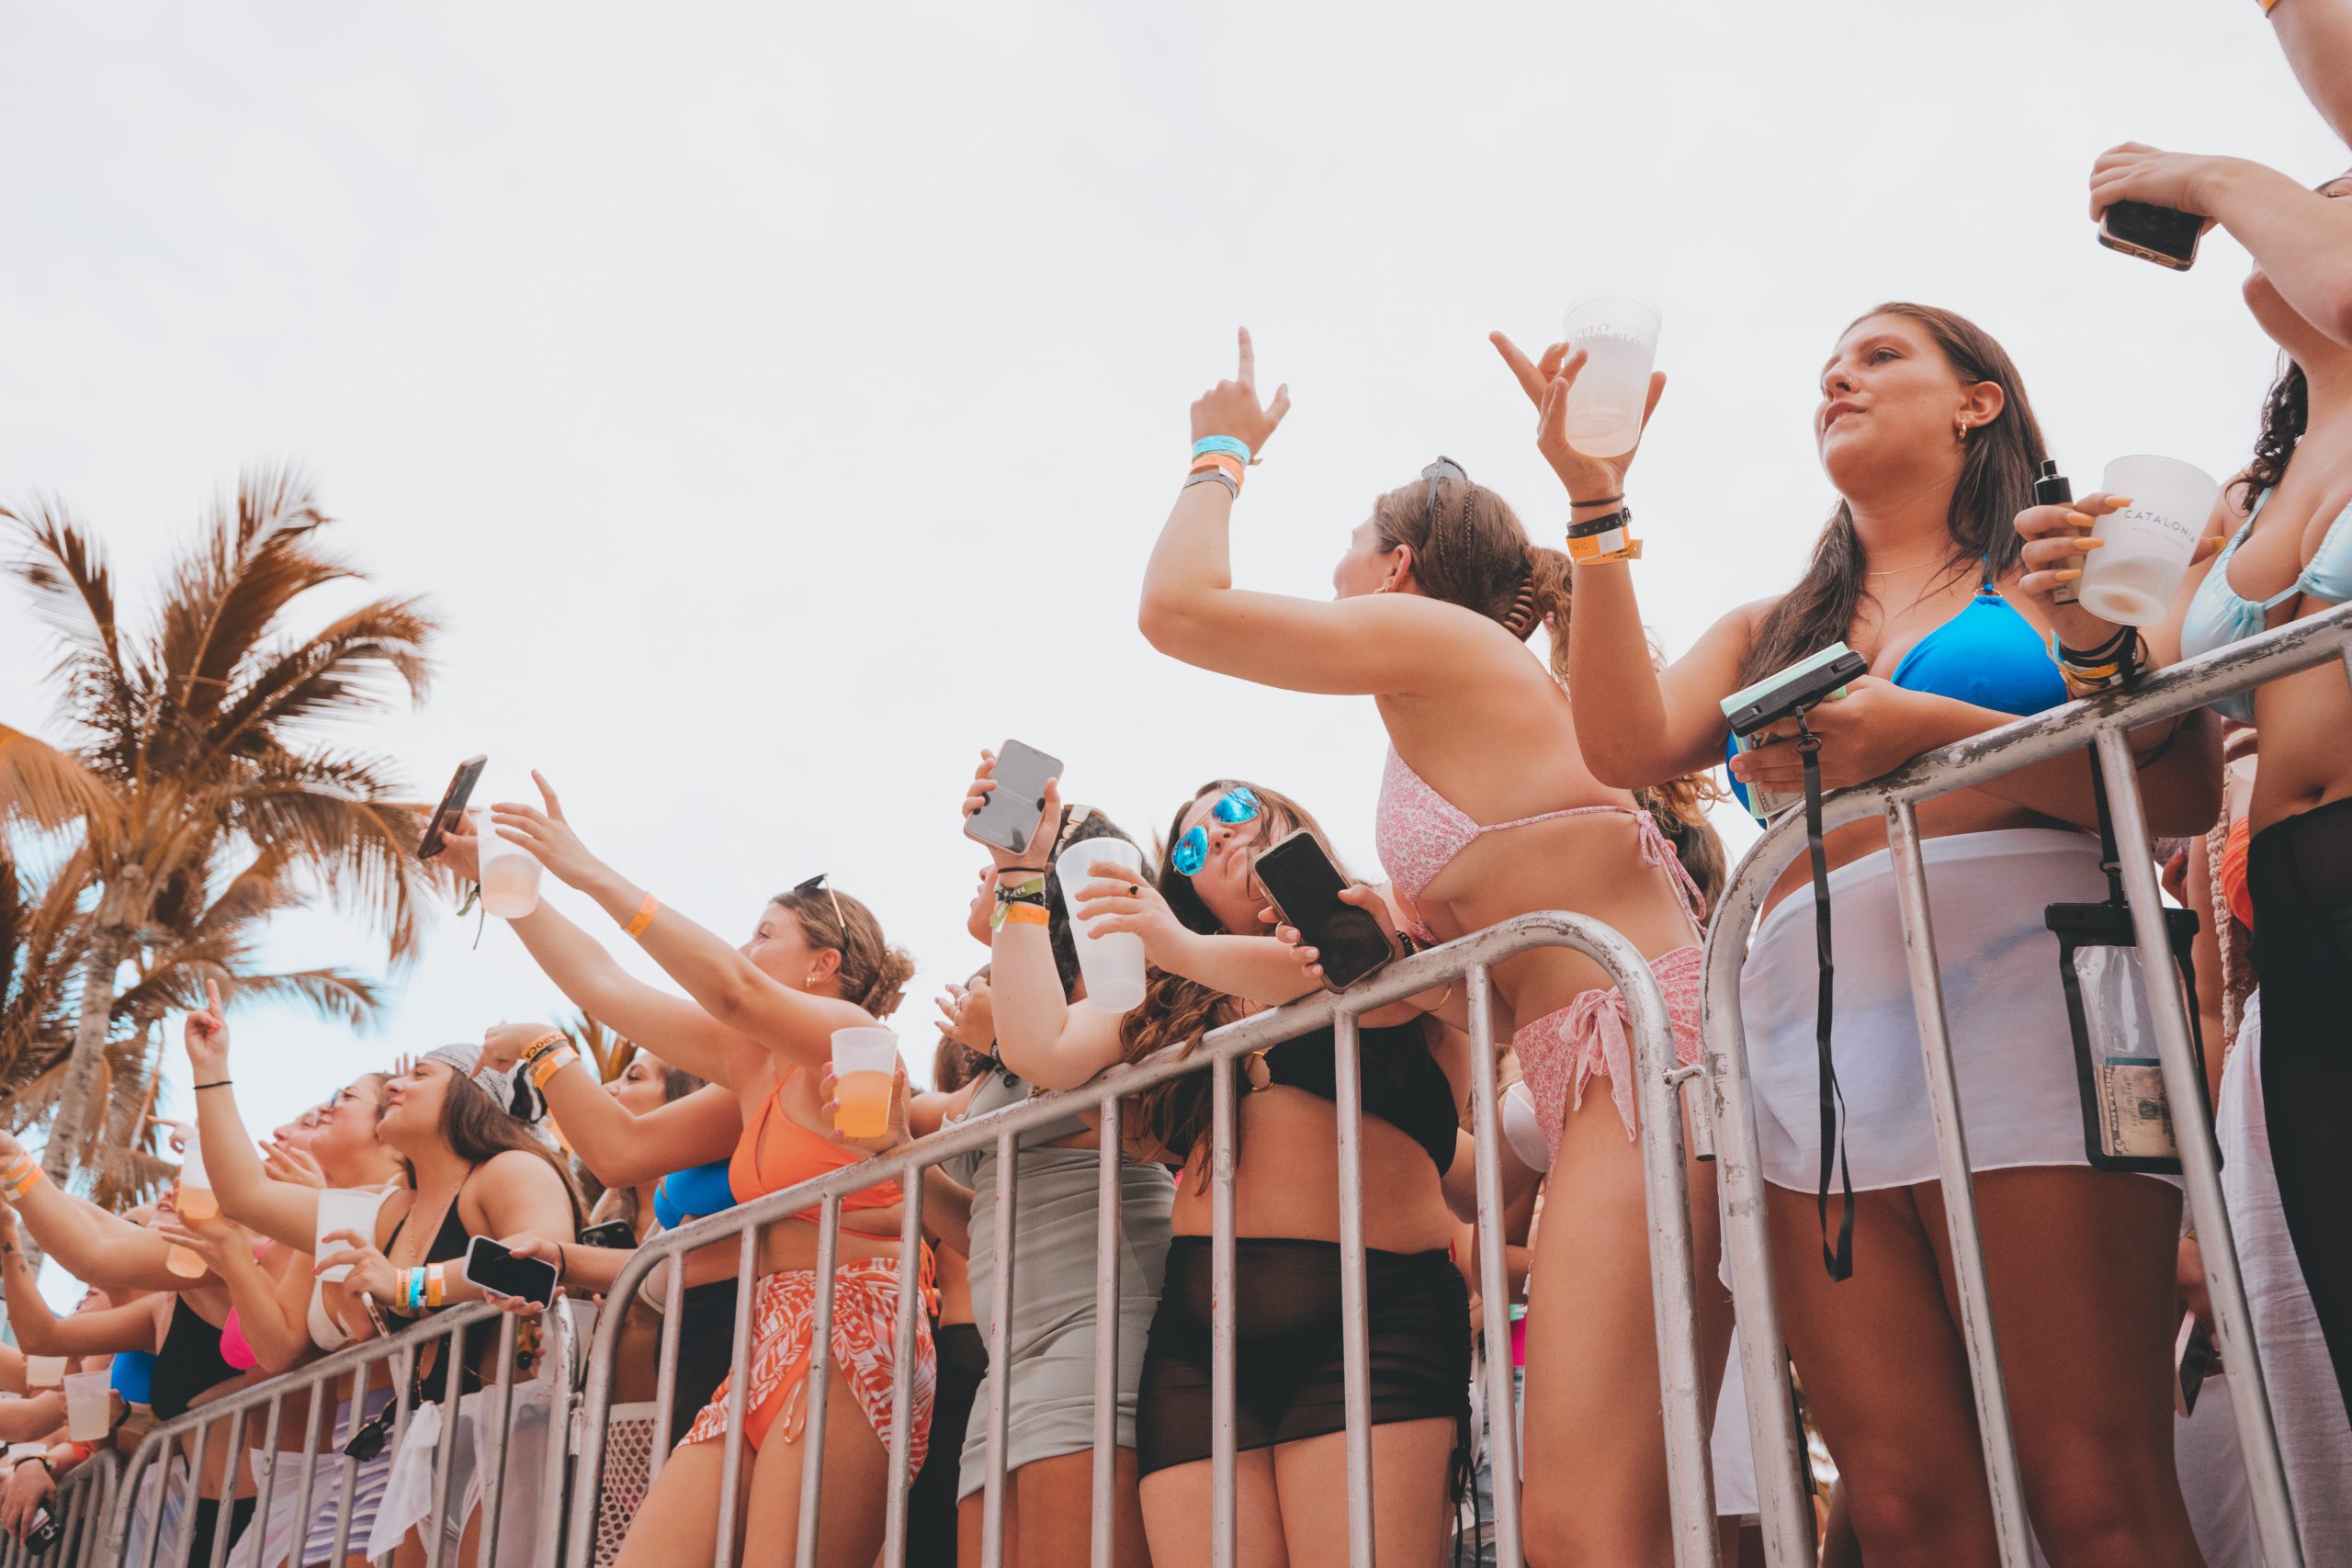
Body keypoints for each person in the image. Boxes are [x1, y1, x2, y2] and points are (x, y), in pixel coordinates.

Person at [1545, 301, 2221, 1564]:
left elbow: (2177, 793)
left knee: (2091, 1477)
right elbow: (1624, 743)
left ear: (1978, 400)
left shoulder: (2068, 569)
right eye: (1827, 371)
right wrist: (1595, 506)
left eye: (1880, 356)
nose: (1839, 382)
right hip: (1815, 1045)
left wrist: (1924, 733)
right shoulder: (1770, 625)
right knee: (1905, 1502)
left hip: (2038, 1000)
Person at [1136, 330, 1732, 1563]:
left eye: (1355, 536)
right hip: (1589, 1063)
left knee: (1582, 1519)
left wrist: (1220, 450)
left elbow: (1177, 610)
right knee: (1612, 1506)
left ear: (1397, 565)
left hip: (1646, 1044)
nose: (1335, 560)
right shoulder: (1447, 697)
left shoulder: (1443, 641)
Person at [2024, 165, 2352, 1518]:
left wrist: (2211, 177)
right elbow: (2148, 685)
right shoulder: (2265, 481)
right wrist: (2085, 621)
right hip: (2299, 907)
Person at [975, 758, 1469, 1568]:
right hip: (1198, 1345)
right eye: (1194, 848)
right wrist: (1020, 874)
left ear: (1280, 808)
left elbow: (1356, 972)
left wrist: (1176, 945)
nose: (1221, 833)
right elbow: (1043, 1049)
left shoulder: (1381, 910)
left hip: (1371, 1317)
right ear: (1188, 892)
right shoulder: (1178, 989)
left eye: (1233, 809)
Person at [439, 778, 928, 1568]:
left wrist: (587, 867)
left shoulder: (849, 1033)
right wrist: (508, 883)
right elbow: (619, 1126)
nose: (741, 950)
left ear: (822, 964)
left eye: (762, 933)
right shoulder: (752, 1068)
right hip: (765, 1338)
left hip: (854, 1330)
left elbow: (731, 991)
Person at [932, 795, 1173, 1568]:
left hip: (1096, 1320)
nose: (985, 866)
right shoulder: (1008, 1036)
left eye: (1029, 853)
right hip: (1009, 1356)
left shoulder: (1117, 996)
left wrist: (1002, 1034)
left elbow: (1105, 1107)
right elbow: (978, 1206)